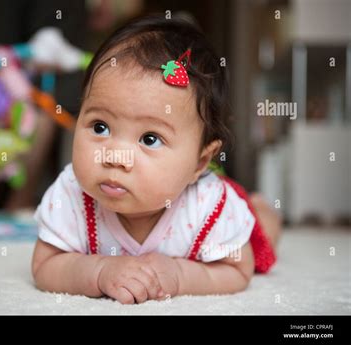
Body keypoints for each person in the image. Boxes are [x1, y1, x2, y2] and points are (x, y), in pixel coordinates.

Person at [31, 14, 281, 304]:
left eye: (150, 139)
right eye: (100, 127)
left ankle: (263, 210)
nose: (115, 156)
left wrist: (179, 274)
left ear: (200, 163)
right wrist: (98, 271)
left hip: (221, 202)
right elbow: (44, 265)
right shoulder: (71, 193)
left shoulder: (210, 206)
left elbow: (238, 269)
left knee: (263, 237)